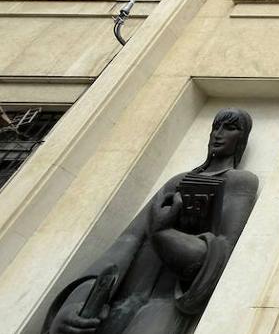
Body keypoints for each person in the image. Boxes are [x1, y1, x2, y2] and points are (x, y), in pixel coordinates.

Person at [45, 108, 258, 334]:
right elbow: (127, 240)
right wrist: (77, 301)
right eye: (216, 127)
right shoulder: (176, 181)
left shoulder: (241, 182)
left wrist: (163, 233)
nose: (219, 133)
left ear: (241, 139)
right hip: (122, 296)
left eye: (231, 128)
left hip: (167, 301)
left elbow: (220, 251)